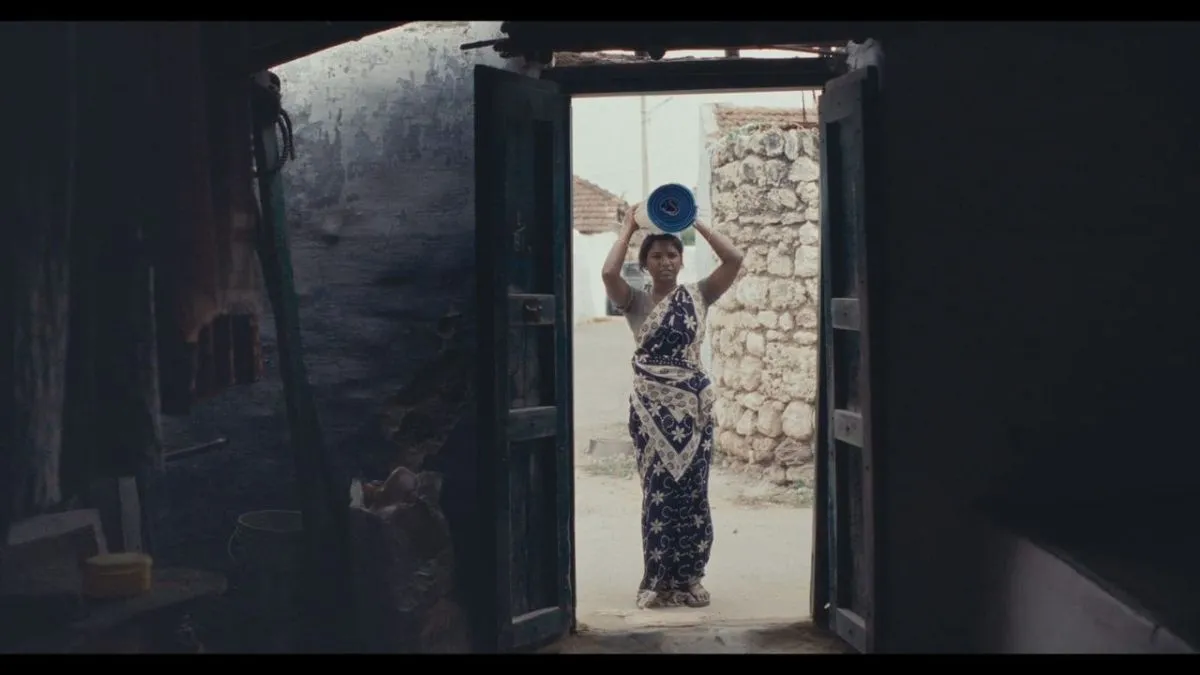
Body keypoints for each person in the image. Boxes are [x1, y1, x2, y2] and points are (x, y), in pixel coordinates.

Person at [600, 204, 744, 609]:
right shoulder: (634, 302)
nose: (665, 261)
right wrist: (628, 228)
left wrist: (693, 222)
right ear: (644, 263)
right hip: (652, 415)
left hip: (694, 415)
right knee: (659, 496)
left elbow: (734, 259)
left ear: (682, 260)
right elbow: (609, 273)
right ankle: (660, 582)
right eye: (656, 255)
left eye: (672, 254)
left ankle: (692, 579)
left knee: (694, 496)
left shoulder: (699, 294)